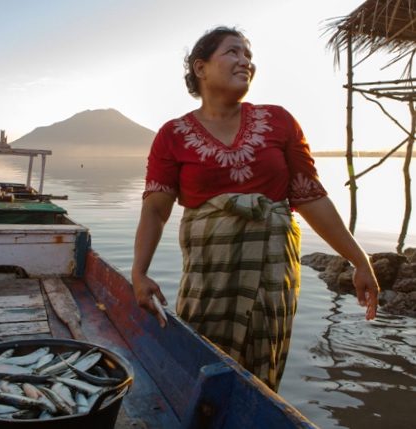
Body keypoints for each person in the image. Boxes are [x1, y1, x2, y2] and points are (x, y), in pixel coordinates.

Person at [131, 26, 380, 391]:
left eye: (249, 56)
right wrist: (139, 272)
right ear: (200, 68)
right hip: (208, 281)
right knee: (202, 362)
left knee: (261, 376)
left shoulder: (279, 121)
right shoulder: (174, 134)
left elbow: (311, 198)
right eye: (233, 52)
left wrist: (360, 260)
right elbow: (155, 211)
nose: (246, 62)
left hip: (272, 280)